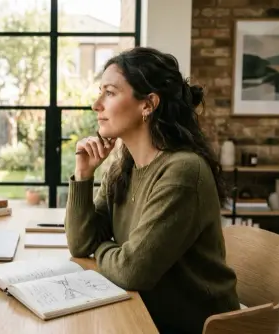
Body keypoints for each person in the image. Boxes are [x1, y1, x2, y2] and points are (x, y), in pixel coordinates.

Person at [64, 46, 240, 334]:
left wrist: (101, 249)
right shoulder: (124, 165)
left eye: (109, 93)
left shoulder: (182, 171)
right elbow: (80, 243)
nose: (97, 104)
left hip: (191, 325)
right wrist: (84, 174)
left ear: (148, 104)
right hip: (142, 310)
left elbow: (132, 271)